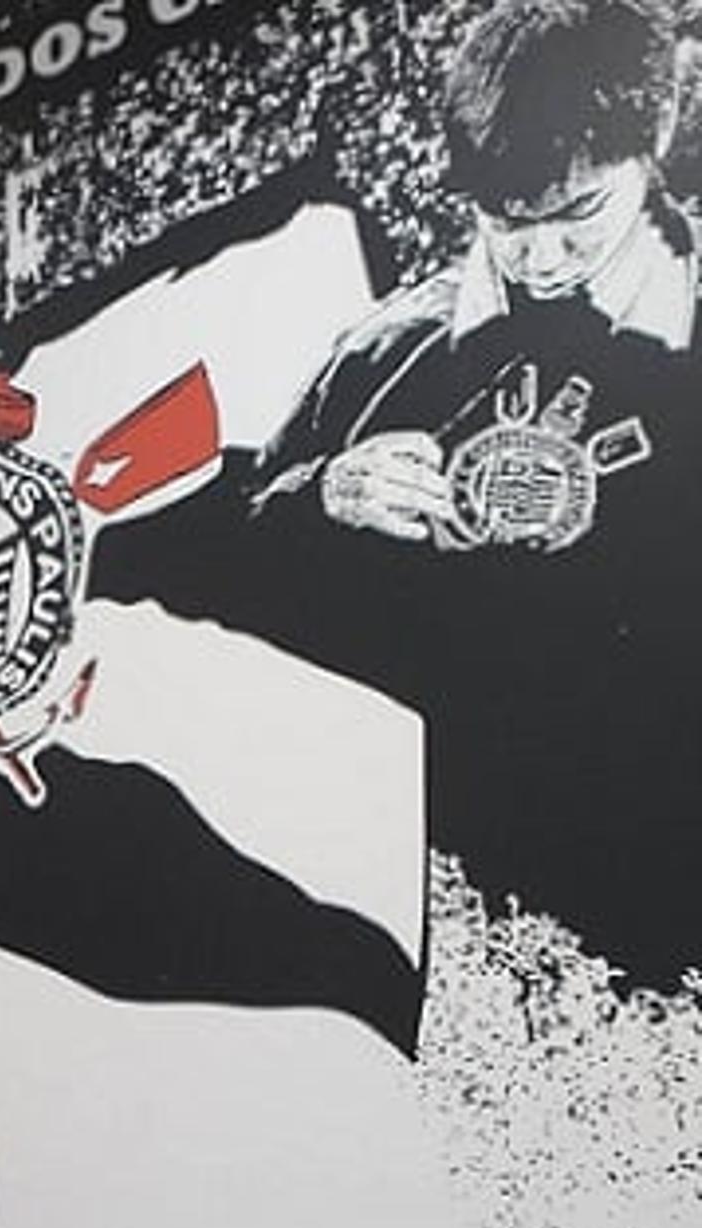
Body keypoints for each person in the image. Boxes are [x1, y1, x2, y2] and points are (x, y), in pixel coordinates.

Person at [232, 0, 702, 994]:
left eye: (574, 216)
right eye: (503, 220)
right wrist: (325, 494)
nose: (537, 258)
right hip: (473, 899)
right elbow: (234, 556)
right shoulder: (389, 346)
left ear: (650, 148)